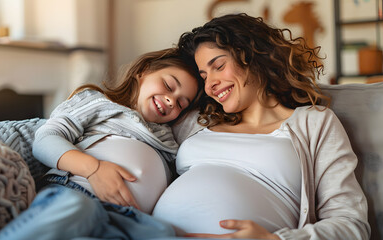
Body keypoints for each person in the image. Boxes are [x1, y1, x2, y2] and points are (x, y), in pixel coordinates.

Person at [151, 13, 371, 240]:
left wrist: (275, 239)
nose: (210, 86)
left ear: (253, 57)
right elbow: (129, 124)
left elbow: (351, 224)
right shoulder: (196, 120)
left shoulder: (313, 123)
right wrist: (109, 166)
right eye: (204, 76)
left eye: (218, 66)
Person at [0, 47, 201, 240]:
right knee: (79, 208)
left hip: (124, 219)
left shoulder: (170, 141)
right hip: (76, 192)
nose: (172, 101)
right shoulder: (100, 103)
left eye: (181, 103)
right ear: (144, 71)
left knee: (162, 232)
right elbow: (45, 140)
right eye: (169, 85)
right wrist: (94, 169)